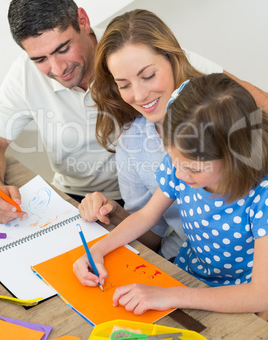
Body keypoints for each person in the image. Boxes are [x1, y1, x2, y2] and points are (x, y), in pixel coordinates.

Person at [78, 9, 268, 260]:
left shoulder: (225, 112)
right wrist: (112, 213)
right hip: (186, 261)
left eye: (148, 76)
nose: (139, 95)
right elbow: (150, 230)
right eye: (124, 85)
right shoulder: (135, 141)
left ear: (173, 60)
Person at [73, 73, 268, 317]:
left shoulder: (262, 196)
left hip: (239, 296)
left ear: (235, 156)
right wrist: (98, 250)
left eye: (193, 168)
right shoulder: (180, 165)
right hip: (189, 274)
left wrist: (170, 295)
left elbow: (260, 295)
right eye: (173, 158)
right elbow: (145, 216)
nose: (179, 172)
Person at [0, 0, 121, 224]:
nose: (58, 69)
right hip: (72, 199)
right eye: (40, 59)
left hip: (143, 200)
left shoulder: (127, 46)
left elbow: (217, 86)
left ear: (83, 21)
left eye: (63, 48)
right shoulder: (23, 73)